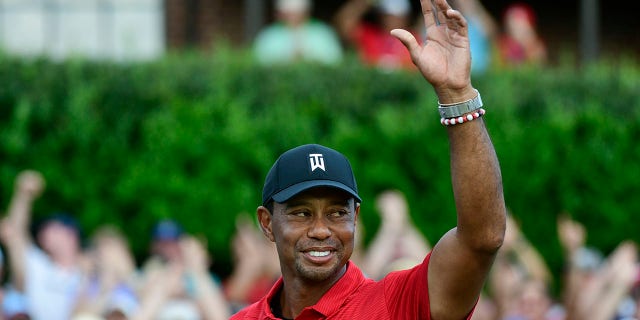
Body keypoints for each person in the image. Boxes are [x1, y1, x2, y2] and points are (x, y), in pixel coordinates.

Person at [232, 0, 507, 318]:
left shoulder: (395, 303)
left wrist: (457, 94)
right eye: (302, 213)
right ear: (267, 223)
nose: (321, 230)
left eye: (336, 213)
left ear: (356, 217)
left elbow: (482, 239)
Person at [0, 170, 84, 320]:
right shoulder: (40, 267)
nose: (43, 235)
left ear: (71, 234)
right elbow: (15, 236)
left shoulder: (90, 271)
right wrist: (23, 195)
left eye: (51, 228)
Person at [253, 0, 343, 65]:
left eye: (296, 14)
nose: (293, 18)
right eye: (289, 14)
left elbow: (335, 60)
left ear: (306, 13)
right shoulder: (270, 35)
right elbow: (260, 61)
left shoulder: (322, 33)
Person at [335, 0, 417, 70]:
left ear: (406, 18)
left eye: (397, 16)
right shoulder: (369, 35)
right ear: (380, 16)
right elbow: (344, 26)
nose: (391, 20)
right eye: (387, 16)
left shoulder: (412, 39)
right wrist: (364, 3)